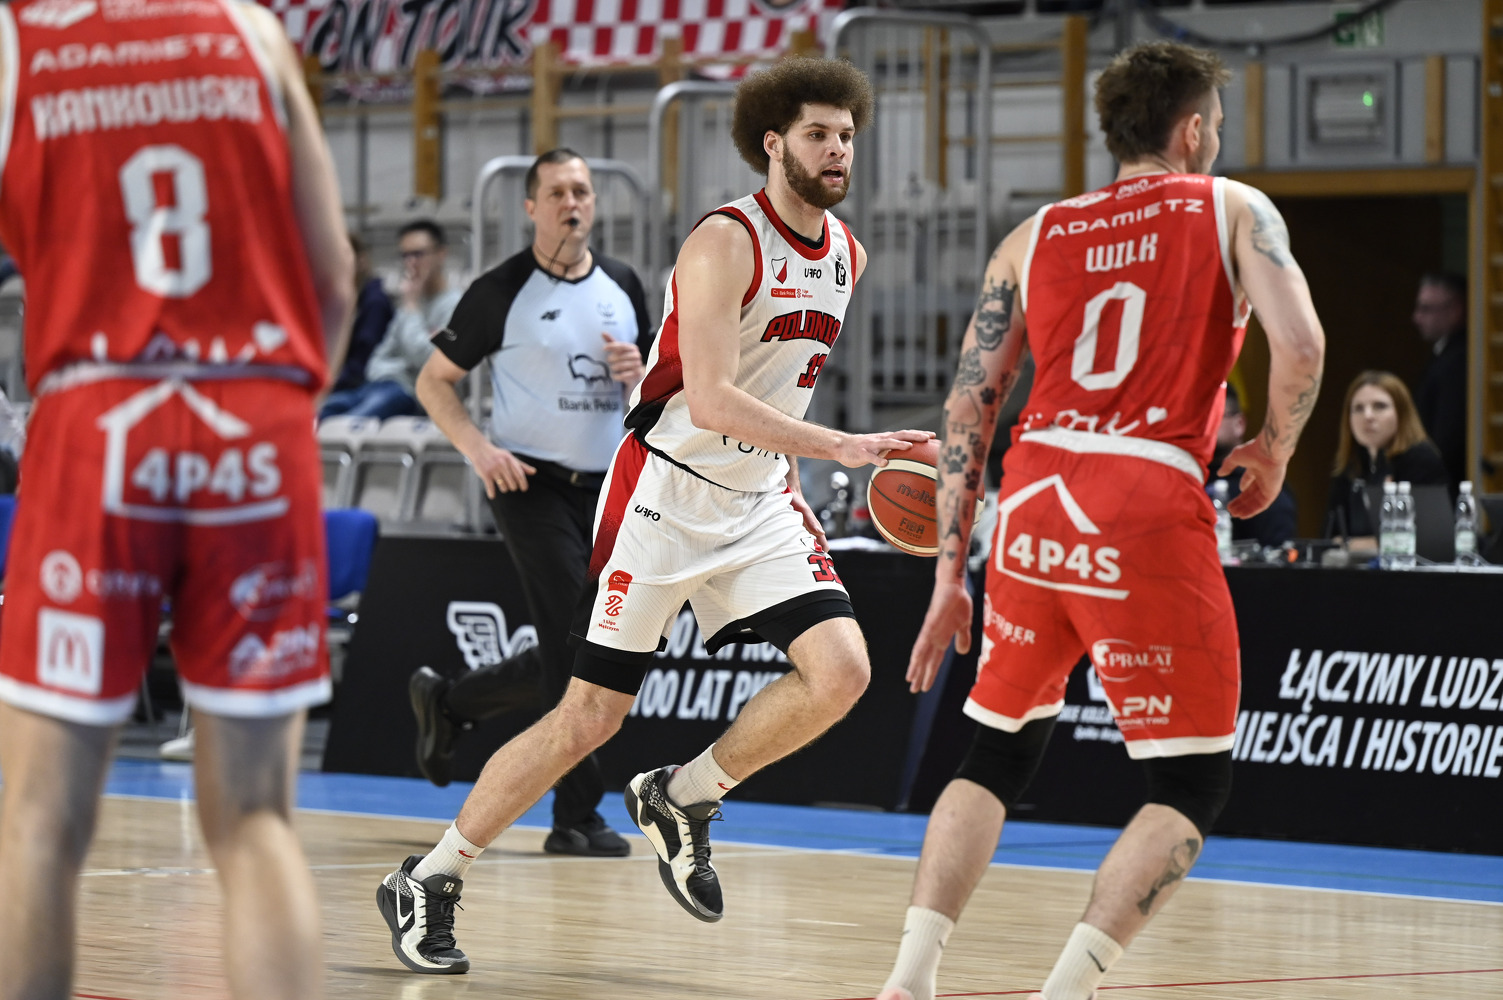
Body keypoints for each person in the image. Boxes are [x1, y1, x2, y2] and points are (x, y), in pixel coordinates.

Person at [375, 56, 931, 976]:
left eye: (845, 136)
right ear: (772, 144)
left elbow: (774, 389)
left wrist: (809, 464)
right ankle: (428, 877)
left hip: (759, 499)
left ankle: (683, 795)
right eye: (817, 135)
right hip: (664, 495)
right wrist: (841, 445)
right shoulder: (724, 241)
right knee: (587, 717)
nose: (837, 150)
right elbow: (708, 399)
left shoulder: (847, 254)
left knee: (841, 672)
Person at [875, 41, 1325, 1000]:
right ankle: (1064, 992)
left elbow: (967, 410)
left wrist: (950, 574)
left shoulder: (1030, 236)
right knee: (1189, 785)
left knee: (994, 751)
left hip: (1032, 497)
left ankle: (907, 979)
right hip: (1144, 492)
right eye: (1214, 125)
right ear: (1191, 130)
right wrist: (1274, 450)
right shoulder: (1231, 207)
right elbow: (1300, 344)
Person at [0, 2, 353, 999]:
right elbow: (333, 278)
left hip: (100, 412)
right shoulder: (251, 30)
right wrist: (269, 424)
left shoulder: (20, 36)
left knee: (39, 820)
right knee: (255, 819)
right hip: (258, 414)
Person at [406, 148, 652, 859]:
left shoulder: (623, 284)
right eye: (557, 193)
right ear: (531, 207)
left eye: (582, 191)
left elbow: (654, 395)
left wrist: (638, 374)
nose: (572, 203)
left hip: (607, 488)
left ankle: (451, 701)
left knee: (583, 643)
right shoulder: (501, 289)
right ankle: (576, 816)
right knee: (578, 649)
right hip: (529, 485)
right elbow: (432, 382)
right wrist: (479, 451)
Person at [319, 219, 458, 419]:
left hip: (413, 394)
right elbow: (378, 358)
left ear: (441, 254)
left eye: (418, 254)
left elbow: (431, 361)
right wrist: (401, 368)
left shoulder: (456, 307)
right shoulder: (409, 304)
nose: (411, 262)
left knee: (351, 423)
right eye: (405, 255)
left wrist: (411, 309)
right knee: (320, 412)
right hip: (380, 385)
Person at [1324, 370, 1448, 550]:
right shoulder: (1350, 466)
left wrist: (1352, 544)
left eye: (1379, 406)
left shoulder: (1420, 459)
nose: (1367, 416)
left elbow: (1427, 540)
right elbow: (1328, 537)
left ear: (1401, 413)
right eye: (1358, 408)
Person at [1209, 384, 1296, 548]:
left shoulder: (1260, 482)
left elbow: (1278, 551)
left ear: (1239, 424)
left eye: (1214, 416)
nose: (1205, 426)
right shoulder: (1187, 479)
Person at [1410, 271, 1467, 489]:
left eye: (1426, 309)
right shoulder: (1442, 355)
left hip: (1445, 486)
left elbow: (1446, 438)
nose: (1416, 318)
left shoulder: (1457, 362)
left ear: (1455, 310)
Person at [331, 232, 396, 392]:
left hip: (369, 383)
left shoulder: (374, 302)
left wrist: (330, 384)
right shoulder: (351, 299)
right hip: (351, 381)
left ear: (361, 261)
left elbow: (362, 361)